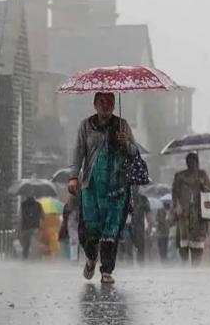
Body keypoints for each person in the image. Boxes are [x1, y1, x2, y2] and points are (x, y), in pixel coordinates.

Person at [68, 92, 138, 284]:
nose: (106, 107)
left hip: (116, 188)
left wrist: (126, 143)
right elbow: (78, 152)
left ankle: (107, 270)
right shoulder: (86, 126)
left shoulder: (122, 126)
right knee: (89, 230)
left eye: (110, 103)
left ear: (114, 105)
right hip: (91, 186)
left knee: (111, 229)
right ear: (95, 104)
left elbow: (135, 152)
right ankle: (91, 257)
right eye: (102, 103)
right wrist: (74, 176)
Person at [172, 152, 210, 266]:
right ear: (187, 163)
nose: (191, 164)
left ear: (197, 162)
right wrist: (177, 206)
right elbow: (174, 193)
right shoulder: (179, 176)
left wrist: (203, 185)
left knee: (197, 244)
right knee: (183, 243)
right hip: (184, 214)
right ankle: (184, 264)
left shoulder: (202, 175)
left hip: (198, 214)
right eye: (189, 162)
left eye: (194, 161)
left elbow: (209, 193)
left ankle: (196, 267)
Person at [127, 188, 152, 265]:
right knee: (128, 248)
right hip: (127, 227)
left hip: (139, 227)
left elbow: (148, 213)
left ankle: (141, 265)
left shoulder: (143, 199)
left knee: (140, 248)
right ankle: (129, 265)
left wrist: (150, 225)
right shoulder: (125, 198)